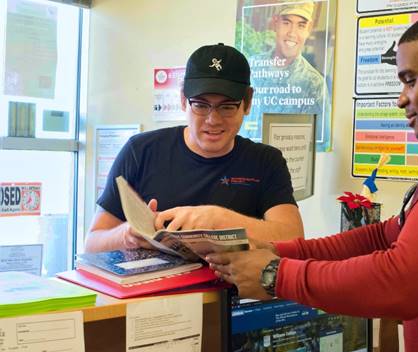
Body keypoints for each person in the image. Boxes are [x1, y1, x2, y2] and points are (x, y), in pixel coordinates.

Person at [207, 5, 418, 352]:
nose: (401, 99)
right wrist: (281, 252)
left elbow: (403, 281)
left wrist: (275, 274)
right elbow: (386, 235)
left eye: (410, 80)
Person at [85, 43, 304, 253]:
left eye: (227, 107)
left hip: (232, 290)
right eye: (200, 105)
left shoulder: (265, 161)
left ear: (247, 103)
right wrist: (127, 235)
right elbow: (92, 244)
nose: (213, 119)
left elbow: (293, 239)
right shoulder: (140, 151)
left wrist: (218, 219)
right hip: (155, 289)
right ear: (183, 100)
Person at [243, 2, 329, 140]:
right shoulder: (249, 67)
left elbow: (318, 143)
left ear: (309, 29)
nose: (292, 33)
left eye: (301, 25)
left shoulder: (314, 84)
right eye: (286, 22)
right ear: (275, 23)